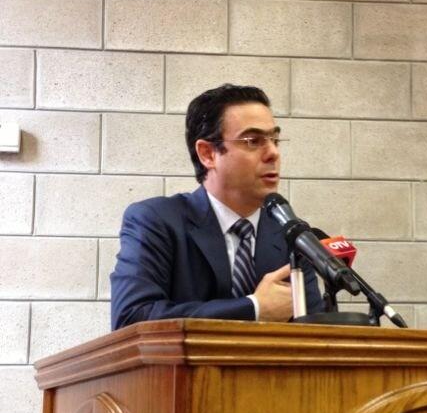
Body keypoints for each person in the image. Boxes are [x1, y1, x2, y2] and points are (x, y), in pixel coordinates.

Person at [110, 84, 323, 329]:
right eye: (253, 141)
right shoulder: (157, 221)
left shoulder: (290, 235)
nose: (273, 153)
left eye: (275, 139)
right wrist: (253, 308)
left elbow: (318, 330)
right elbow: (131, 317)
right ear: (207, 154)